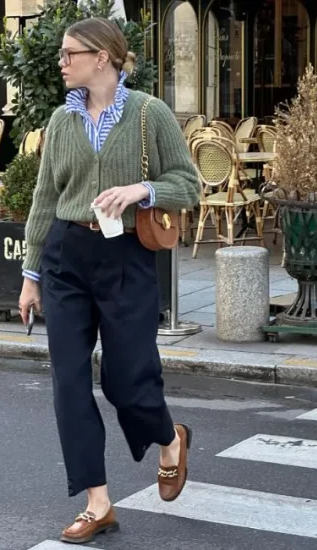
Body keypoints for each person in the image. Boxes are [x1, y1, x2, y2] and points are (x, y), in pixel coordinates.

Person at [19, 17, 200, 545]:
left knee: (128, 380)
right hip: (66, 257)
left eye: (69, 53)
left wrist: (141, 189)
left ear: (102, 57)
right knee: (69, 383)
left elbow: (186, 183)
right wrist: (31, 275)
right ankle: (98, 503)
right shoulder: (61, 119)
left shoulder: (150, 114)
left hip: (125, 258)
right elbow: (44, 200)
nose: (61, 61)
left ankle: (170, 439)